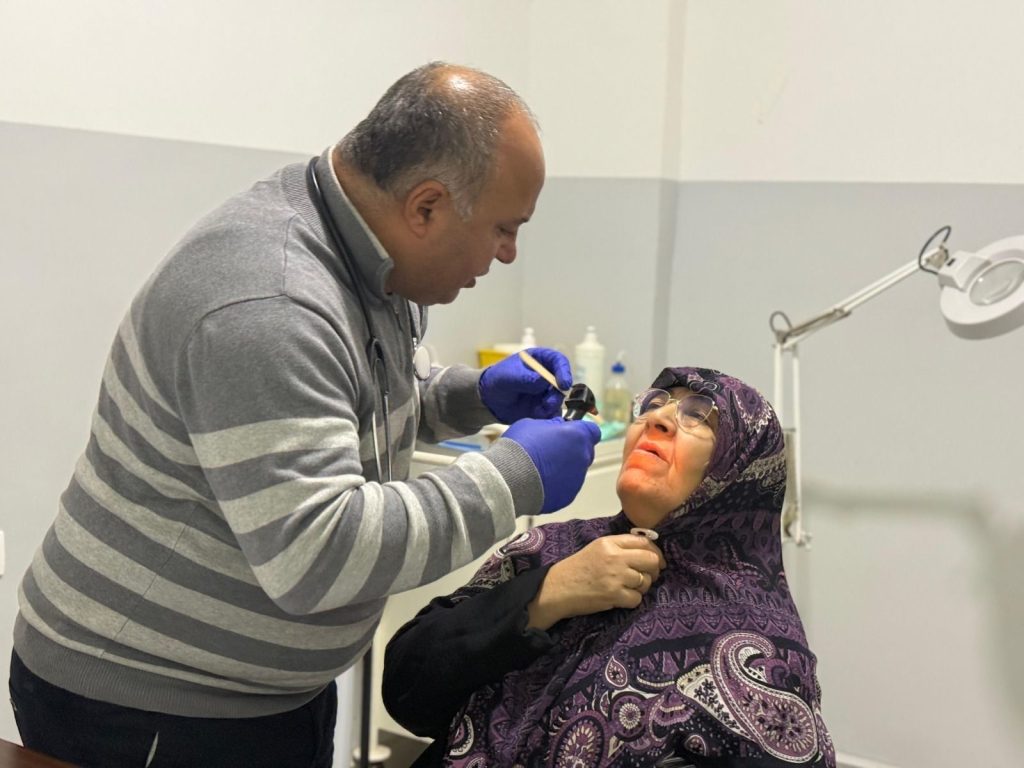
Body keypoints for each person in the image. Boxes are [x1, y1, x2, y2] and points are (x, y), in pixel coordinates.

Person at [8, 62, 601, 768]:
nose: (508, 254)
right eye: (504, 229)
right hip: (149, 704)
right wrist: (511, 478)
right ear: (427, 207)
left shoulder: (364, 250)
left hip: (266, 694)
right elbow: (320, 555)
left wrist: (470, 396)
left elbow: (344, 404)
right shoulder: (271, 300)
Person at [383, 366, 836, 767]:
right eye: (654, 403)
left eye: (698, 415)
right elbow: (406, 691)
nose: (657, 418)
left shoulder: (763, 647)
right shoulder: (549, 549)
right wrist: (546, 595)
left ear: (739, 473)